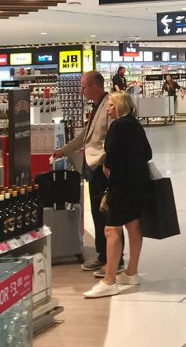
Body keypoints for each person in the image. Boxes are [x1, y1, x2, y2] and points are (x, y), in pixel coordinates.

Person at [84, 92, 153, 298]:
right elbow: (148, 153)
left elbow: (109, 161)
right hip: (138, 182)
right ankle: (131, 272)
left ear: (121, 106)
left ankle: (109, 279)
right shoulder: (135, 124)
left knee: (111, 229)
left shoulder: (118, 126)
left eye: (112, 105)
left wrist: (110, 171)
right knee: (133, 225)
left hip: (121, 184)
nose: (108, 108)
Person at [55, 71, 123, 276]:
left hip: (103, 168)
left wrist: (109, 163)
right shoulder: (97, 106)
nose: (81, 91)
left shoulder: (110, 104)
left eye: (84, 86)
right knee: (97, 212)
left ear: (95, 86)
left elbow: (114, 137)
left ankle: (115, 260)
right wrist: (63, 150)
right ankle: (103, 255)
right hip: (92, 168)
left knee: (109, 214)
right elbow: (86, 135)